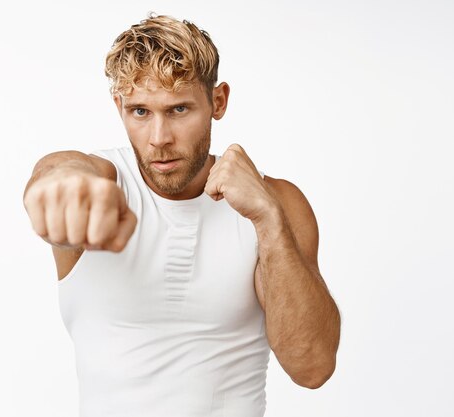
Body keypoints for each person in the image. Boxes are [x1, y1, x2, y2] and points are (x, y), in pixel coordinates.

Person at [23, 14, 341, 417]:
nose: (159, 138)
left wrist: (267, 218)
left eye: (178, 110)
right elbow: (61, 170)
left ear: (218, 101)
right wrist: (64, 186)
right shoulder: (106, 178)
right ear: (118, 106)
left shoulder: (275, 201)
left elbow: (312, 366)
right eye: (140, 112)